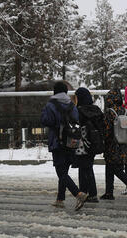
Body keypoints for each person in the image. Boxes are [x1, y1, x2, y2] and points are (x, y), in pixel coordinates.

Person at [41, 81, 87, 210]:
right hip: (71, 141)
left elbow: (45, 121)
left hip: (57, 141)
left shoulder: (51, 104)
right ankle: (60, 199)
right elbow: (76, 120)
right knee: (64, 170)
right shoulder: (72, 105)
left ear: (55, 91)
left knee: (60, 171)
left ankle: (78, 194)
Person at [100, 88, 127, 201]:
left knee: (116, 169)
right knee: (110, 167)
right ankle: (108, 192)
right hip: (124, 143)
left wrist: (102, 139)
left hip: (112, 145)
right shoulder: (125, 111)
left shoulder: (110, 112)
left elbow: (106, 130)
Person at [73, 87, 104, 203]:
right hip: (95, 143)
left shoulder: (79, 111)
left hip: (82, 144)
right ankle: (85, 192)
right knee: (87, 167)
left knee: (85, 168)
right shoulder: (96, 109)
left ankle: (91, 194)